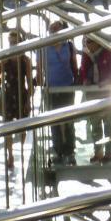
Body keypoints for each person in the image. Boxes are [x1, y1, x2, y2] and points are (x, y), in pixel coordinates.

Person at [37, 20, 79, 165]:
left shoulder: (69, 46)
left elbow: (74, 65)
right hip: (51, 88)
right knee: (54, 121)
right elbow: (40, 69)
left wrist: (78, 82)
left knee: (68, 120)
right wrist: (40, 86)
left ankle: (70, 151)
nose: (53, 31)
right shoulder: (43, 48)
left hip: (67, 86)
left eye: (56, 28)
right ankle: (58, 151)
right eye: (52, 29)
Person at [0, 29, 34, 171]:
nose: (12, 45)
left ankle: (21, 151)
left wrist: (29, 101)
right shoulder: (6, 59)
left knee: (22, 128)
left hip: (21, 94)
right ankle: (10, 155)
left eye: (14, 42)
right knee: (7, 128)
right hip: (8, 95)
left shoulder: (25, 60)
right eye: (10, 42)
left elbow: (29, 82)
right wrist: (1, 63)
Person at [78, 38, 111, 163]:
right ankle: (98, 152)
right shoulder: (86, 54)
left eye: (89, 42)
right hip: (93, 94)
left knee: (109, 125)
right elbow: (83, 70)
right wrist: (85, 80)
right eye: (86, 42)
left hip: (108, 94)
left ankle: (109, 153)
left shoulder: (108, 51)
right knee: (95, 126)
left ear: (97, 42)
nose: (87, 45)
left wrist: (108, 81)